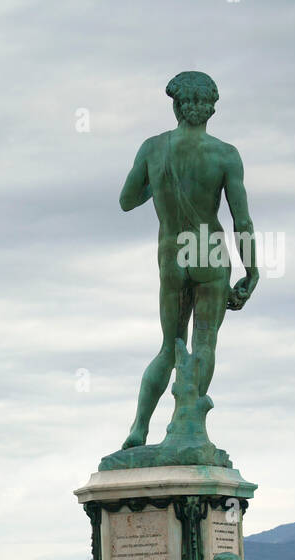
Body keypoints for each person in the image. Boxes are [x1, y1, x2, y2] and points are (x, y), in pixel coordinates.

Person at [118, 72, 259, 450]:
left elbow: (127, 200)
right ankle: (187, 423)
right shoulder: (225, 154)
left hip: (172, 254)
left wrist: (159, 183)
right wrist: (252, 270)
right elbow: (242, 221)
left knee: (169, 346)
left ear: (177, 107)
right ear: (211, 108)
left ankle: (139, 427)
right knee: (205, 342)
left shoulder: (153, 148)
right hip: (208, 250)